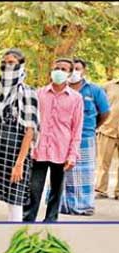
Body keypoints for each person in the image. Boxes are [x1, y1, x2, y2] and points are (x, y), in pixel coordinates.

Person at [0, 48, 39, 222]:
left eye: (11, 63)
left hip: (18, 151)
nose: (7, 66)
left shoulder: (29, 93)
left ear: (21, 65)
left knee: (15, 201)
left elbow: (29, 130)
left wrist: (19, 163)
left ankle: (13, 240)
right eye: (4, 63)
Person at [23, 59, 83, 223]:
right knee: (33, 190)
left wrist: (73, 155)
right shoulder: (39, 93)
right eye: (57, 68)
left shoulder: (76, 99)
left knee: (57, 191)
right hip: (38, 150)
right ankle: (27, 222)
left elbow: (77, 129)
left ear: (69, 74)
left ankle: (50, 222)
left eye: (64, 69)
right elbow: (30, 123)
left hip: (62, 151)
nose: (59, 71)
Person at [60, 57, 111, 215]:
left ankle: (83, 206)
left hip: (85, 136)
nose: (74, 72)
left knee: (84, 173)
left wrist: (92, 127)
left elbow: (105, 113)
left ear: (83, 71)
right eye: (72, 69)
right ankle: (63, 205)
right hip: (63, 137)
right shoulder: (61, 88)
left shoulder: (94, 90)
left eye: (78, 69)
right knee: (63, 172)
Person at [96, 76, 119, 198]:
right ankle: (100, 190)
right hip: (107, 130)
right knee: (103, 163)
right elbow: (97, 105)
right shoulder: (107, 86)